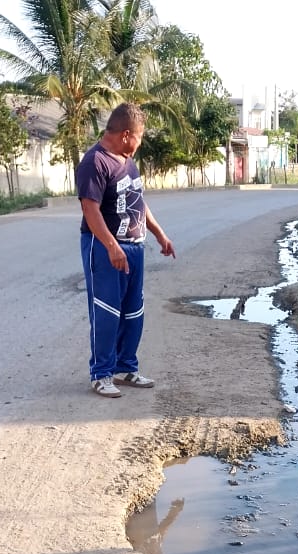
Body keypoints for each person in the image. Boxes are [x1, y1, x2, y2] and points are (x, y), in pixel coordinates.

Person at [77, 103, 176, 399]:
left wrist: (159, 234)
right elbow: (90, 209)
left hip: (134, 248)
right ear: (125, 134)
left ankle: (125, 367)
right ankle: (101, 374)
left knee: (133, 312)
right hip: (104, 247)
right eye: (139, 136)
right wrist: (111, 245)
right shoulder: (95, 162)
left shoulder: (128, 162)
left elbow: (137, 202)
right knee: (107, 312)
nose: (140, 143)